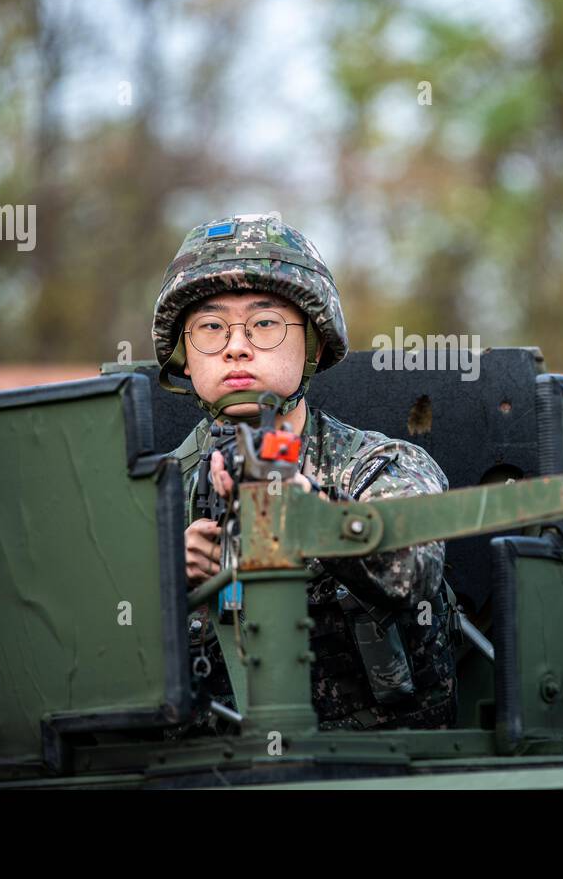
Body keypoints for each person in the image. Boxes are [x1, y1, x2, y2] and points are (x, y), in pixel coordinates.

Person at [150, 213, 459, 732]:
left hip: (378, 769)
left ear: (313, 342)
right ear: (184, 353)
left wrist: (314, 517)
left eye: (265, 323)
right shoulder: (148, 493)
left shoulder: (381, 466)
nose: (235, 346)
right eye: (210, 326)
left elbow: (411, 571)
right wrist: (158, 576)